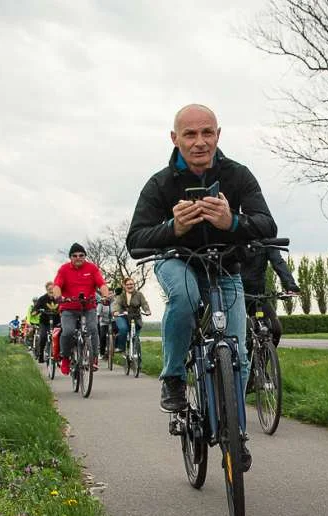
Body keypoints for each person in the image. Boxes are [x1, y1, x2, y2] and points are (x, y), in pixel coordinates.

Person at [126, 103, 277, 470]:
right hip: (177, 260)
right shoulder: (160, 183)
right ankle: (174, 377)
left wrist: (233, 222)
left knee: (238, 353)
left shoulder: (238, 176)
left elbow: (267, 225)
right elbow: (136, 240)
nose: (199, 142)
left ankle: (235, 433)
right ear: (175, 139)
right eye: (190, 134)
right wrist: (172, 229)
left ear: (218, 135)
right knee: (186, 296)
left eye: (207, 133)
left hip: (225, 266)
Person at [52, 243, 112, 376]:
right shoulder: (64, 269)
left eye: (81, 255)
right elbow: (57, 285)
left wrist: (105, 296)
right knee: (67, 332)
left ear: (85, 256)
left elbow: (101, 284)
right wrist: (58, 297)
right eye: (75, 255)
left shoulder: (92, 268)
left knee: (93, 329)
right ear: (70, 257)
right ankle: (66, 358)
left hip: (88, 306)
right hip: (69, 307)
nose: (78, 257)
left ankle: (94, 357)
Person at [241, 245, 299, 347]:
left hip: (258, 294)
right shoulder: (234, 236)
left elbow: (278, 262)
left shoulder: (265, 239)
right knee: (242, 333)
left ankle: (262, 362)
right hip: (234, 294)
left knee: (275, 330)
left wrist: (290, 285)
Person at [112, 276, 151, 352]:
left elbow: (144, 303)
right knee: (123, 329)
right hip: (122, 316)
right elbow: (117, 304)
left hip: (135, 316)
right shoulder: (121, 295)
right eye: (128, 284)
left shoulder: (139, 294)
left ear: (134, 285)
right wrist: (116, 311)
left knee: (136, 336)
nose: (130, 286)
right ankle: (121, 347)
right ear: (124, 286)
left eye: (131, 284)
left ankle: (135, 354)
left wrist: (147, 310)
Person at [33, 281, 60, 363]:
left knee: (61, 336)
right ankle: (41, 355)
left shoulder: (58, 298)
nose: (51, 291)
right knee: (43, 336)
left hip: (56, 322)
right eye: (49, 289)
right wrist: (36, 311)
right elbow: (35, 310)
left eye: (52, 289)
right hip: (44, 322)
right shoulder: (42, 299)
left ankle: (59, 355)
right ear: (46, 290)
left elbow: (64, 306)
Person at [97, 292, 113, 358]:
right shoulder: (101, 303)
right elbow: (98, 312)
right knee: (102, 336)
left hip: (112, 321)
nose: (109, 295)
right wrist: (98, 314)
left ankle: (114, 347)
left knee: (117, 332)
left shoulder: (114, 302)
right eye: (108, 294)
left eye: (111, 294)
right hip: (103, 322)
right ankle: (102, 353)